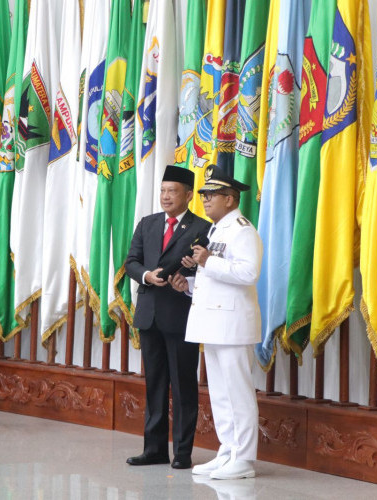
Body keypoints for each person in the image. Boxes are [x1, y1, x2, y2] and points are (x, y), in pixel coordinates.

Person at [170, 165, 262, 480]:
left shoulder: (242, 229)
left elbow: (249, 273)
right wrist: (189, 285)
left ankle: (245, 459)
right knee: (221, 394)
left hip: (233, 324)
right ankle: (228, 451)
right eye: (204, 194)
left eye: (212, 195)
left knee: (238, 392)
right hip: (213, 322)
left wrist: (209, 260)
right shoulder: (216, 230)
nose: (205, 200)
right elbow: (215, 279)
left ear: (230, 198)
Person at [124, 165, 211, 470]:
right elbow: (131, 262)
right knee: (155, 384)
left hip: (181, 314)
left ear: (188, 195)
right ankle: (154, 449)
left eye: (172, 191)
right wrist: (147, 275)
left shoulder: (202, 227)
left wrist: (181, 274)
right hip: (149, 314)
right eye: (162, 190)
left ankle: (183, 453)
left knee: (184, 384)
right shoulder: (147, 224)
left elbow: (200, 269)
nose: (165, 196)